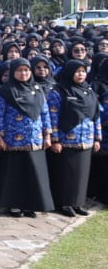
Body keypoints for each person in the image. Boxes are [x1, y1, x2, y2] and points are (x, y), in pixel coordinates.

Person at [0, 57, 55, 217]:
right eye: (19, 70)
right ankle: (14, 205)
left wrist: (47, 135)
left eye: (26, 70)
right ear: (13, 72)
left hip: (35, 139)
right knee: (16, 175)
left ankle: (31, 205)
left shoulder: (37, 89)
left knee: (33, 174)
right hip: (13, 140)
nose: (23, 73)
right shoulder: (5, 91)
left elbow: (45, 113)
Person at [47, 59, 98, 217]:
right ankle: (64, 203)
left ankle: (78, 203)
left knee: (81, 175)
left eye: (83, 71)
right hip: (67, 140)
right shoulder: (58, 91)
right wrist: (55, 139)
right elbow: (53, 116)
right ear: (70, 72)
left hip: (86, 139)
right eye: (77, 71)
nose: (80, 74)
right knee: (67, 174)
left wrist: (97, 138)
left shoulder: (89, 91)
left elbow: (95, 115)